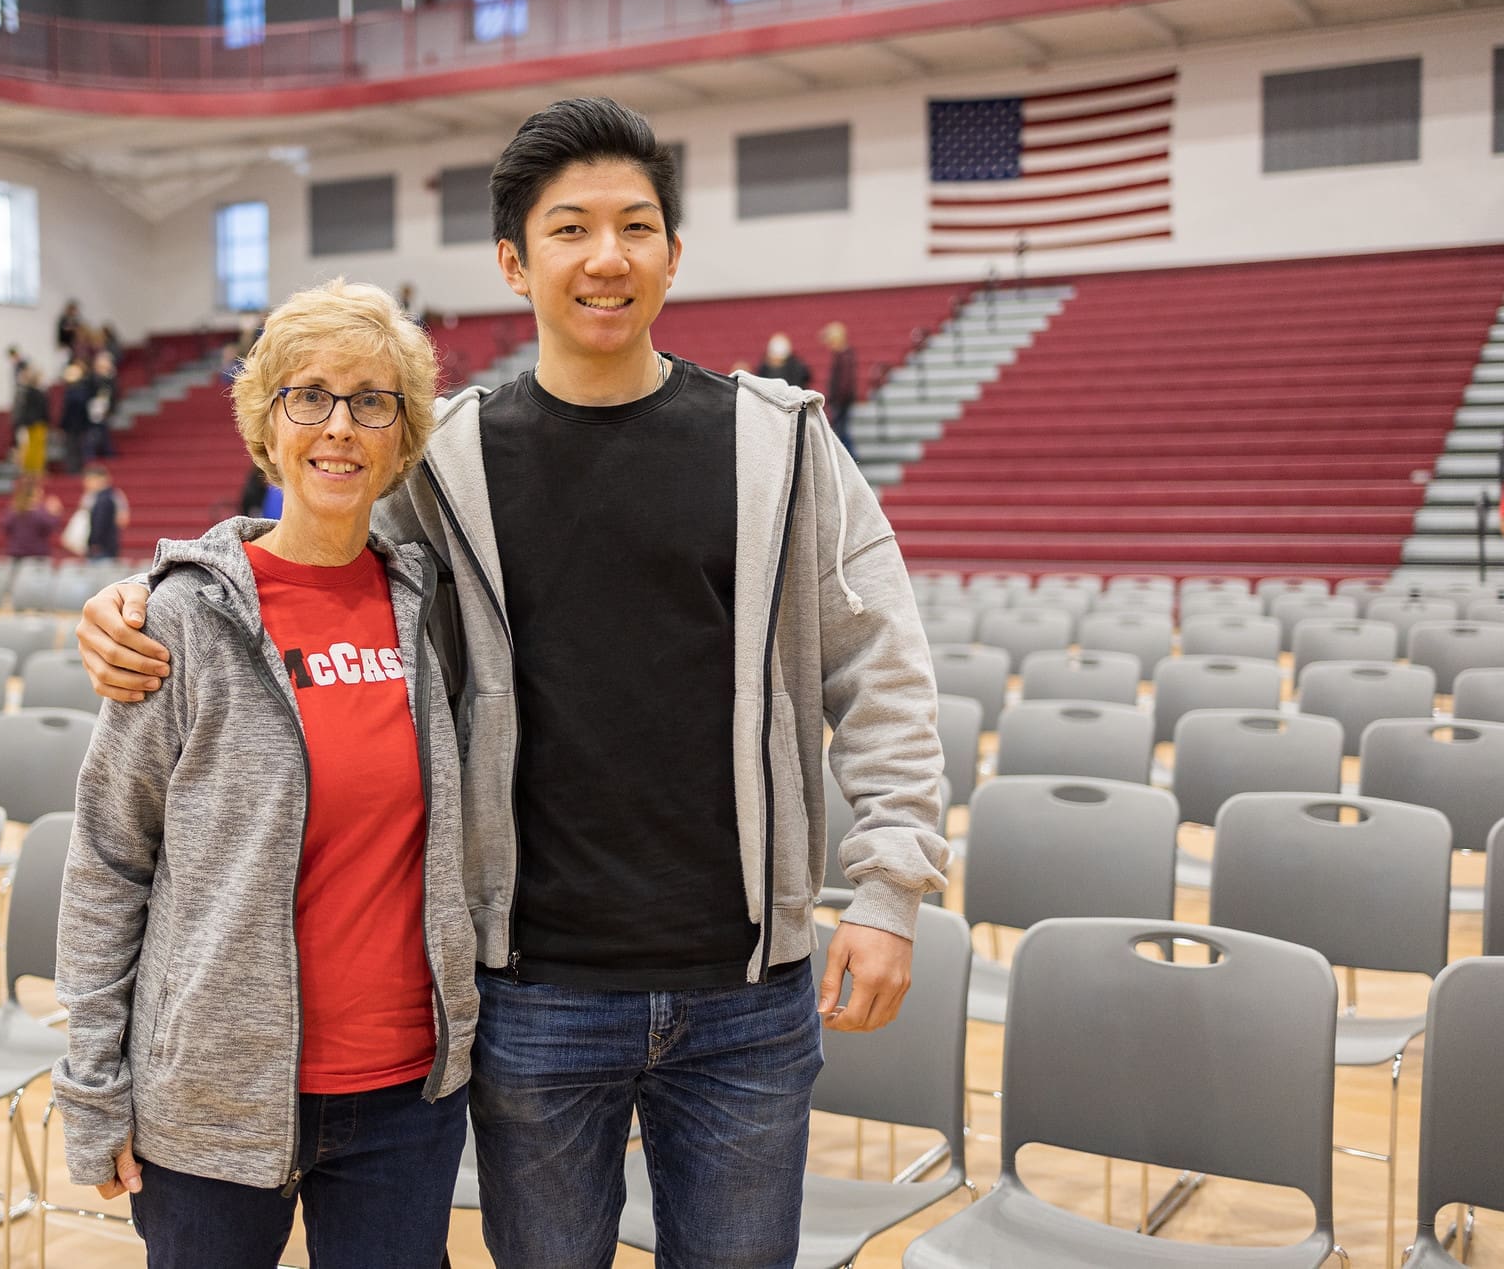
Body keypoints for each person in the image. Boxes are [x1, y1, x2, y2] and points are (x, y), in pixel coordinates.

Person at [74, 97, 949, 1268]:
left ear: (673, 254)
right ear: (512, 260)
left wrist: (890, 886)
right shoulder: (446, 463)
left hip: (746, 992)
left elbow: (880, 665)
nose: (605, 257)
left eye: (635, 227)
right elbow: (310, 528)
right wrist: (151, 591)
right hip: (532, 998)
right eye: (569, 229)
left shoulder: (776, 445)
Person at [53, 279, 476, 1269]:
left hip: (402, 1098)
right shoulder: (178, 621)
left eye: (372, 400)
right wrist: (91, 1082)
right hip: (209, 1090)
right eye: (309, 395)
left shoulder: (436, 611)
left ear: (402, 433)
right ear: (266, 421)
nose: (339, 426)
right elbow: (108, 861)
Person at [822, 320, 860, 461]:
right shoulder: (843, 355)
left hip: (841, 401)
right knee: (842, 432)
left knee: (842, 433)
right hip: (841, 401)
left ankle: (850, 460)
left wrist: (838, 400)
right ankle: (850, 459)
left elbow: (844, 383)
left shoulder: (844, 356)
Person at [1, 483, 64, 559]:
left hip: (16, 552)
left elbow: (6, 527)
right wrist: (55, 514)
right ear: (34, 496)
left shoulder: (12, 511)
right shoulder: (39, 513)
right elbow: (50, 526)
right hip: (37, 554)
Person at [13, 364, 51, 489]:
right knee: (32, 449)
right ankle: (31, 471)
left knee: (36, 448)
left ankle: (35, 470)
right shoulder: (29, 392)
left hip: (36, 423)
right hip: (33, 424)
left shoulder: (35, 392)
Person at [79, 465, 128, 561]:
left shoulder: (104, 499)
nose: (86, 484)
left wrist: (94, 543)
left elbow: (100, 523)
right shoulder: (101, 497)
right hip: (107, 546)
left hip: (102, 549)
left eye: (89, 480)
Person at [58, 358, 94, 475]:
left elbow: (69, 410)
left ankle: (74, 469)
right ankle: (75, 468)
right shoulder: (81, 389)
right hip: (78, 423)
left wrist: (63, 424)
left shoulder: (76, 390)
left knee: (73, 447)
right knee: (75, 446)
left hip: (74, 424)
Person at [84, 351, 119, 462]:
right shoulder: (91, 378)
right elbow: (88, 393)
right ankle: (89, 454)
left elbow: (113, 393)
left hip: (104, 408)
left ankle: (107, 451)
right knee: (92, 432)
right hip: (92, 408)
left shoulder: (110, 379)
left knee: (103, 431)